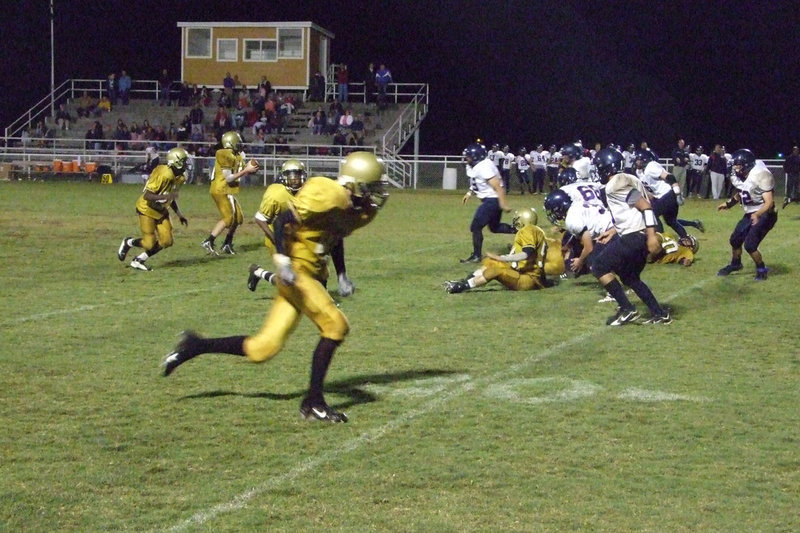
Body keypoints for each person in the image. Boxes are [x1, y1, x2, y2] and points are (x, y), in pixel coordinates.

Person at [162, 152, 389, 424]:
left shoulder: (362, 211)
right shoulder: (326, 193)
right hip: (295, 271)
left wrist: (341, 274)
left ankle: (195, 345)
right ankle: (313, 402)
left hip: (312, 275)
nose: (376, 194)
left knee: (262, 349)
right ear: (354, 183)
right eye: (371, 187)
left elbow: (336, 234)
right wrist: (281, 260)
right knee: (335, 326)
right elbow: (282, 221)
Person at [591, 147, 672, 325]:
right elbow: (635, 208)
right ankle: (659, 313)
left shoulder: (616, 183)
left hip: (635, 236)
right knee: (629, 277)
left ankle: (627, 309)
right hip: (638, 234)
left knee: (598, 266)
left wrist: (651, 236)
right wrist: (613, 231)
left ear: (605, 167)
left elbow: (645, 206)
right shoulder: (631, 178)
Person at [445, 208, 553, 293]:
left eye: (518, 219)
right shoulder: (534, 230)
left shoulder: (527, 231)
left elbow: (526, 254)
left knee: (496, 270)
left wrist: (502, 258)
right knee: (490, 261)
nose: (515, 221)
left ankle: (463, 286)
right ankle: (466, 280)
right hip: (523, 272)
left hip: (529, 278)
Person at [117, 148, 189, 271]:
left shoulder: (180, 177)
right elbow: (148, 195)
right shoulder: (164, 173)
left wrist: (179, 214)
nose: (186, 164)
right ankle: (128, 242)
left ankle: (139, 260)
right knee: (149, 243)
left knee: (166, 241)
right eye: (183, 161)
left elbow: (170, 197)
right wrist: (166, 197)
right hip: (147, 209)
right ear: (175, 162)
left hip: (160, 210)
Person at [717, 149, 777, 281]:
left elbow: (769, 202)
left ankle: (761, 268)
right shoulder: (744, 176)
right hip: (752, 213)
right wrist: (729, 204)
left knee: (750, 245)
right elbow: (743, 193)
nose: (735, 168)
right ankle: (736, 264)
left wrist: (757, 214)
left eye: (738, 165)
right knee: (735, 240)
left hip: (766, 213)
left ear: (747, 164)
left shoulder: (760, 175)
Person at [201, 131, 259, 255]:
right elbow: (228, 178)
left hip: (227, 189)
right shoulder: (223, 153)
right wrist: (246, 170)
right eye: (237, 142)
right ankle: (209, 241)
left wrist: (250, 168)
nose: (240, 144)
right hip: (220, 189)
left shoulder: (236, 154)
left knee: (238, 218)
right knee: (228, 219)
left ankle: (227, 243)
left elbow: (240, 169)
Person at [459, 142, 515, 263]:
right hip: (492, 199)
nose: (466, 159)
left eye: (468, 156)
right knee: (494, 227)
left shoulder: (484, 166)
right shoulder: (479, 165)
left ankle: (476, 256)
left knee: (475, 226)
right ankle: (520, 230)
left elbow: (498, 187)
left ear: (475, 156)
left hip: (492, 200)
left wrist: (503, 204)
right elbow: (477, 182)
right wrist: (469, 193)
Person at [634, 149, 704, 236]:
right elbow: (649, 190)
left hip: (669, 194)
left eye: (638, 160)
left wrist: (677, 193)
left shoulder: (651, 167)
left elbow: (670, 177)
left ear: (645, 160)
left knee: (651, 213)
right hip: (661, 196)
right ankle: (686, 238)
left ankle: (662, 239)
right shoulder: (639, 172)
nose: (636, 162)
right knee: (671, 221)